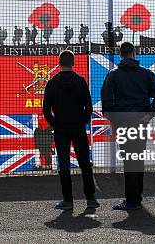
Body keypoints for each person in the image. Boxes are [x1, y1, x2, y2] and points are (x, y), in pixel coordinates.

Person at [101, 42, 155, 210]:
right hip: (140, 122)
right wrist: (150, 114)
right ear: (134, 53)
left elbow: (106, 100)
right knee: (138, 159)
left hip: (123, 123)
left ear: (120, 54)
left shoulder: (113, 75)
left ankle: (131, 200)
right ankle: (137, 197)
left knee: (129, 161)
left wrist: (114, 119)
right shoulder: (145, 74)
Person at [43, 50, 98, 210]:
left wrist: (55, 123)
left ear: (59, 63)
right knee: (84, 163)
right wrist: (82, 121)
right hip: (78, 127)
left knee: (64, 164)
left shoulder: (52, 83)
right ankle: (90, 198)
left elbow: (46, 110)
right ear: (73, 63)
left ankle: (68, 200)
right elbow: (88, 106)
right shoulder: (80, 81)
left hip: (61, 128)